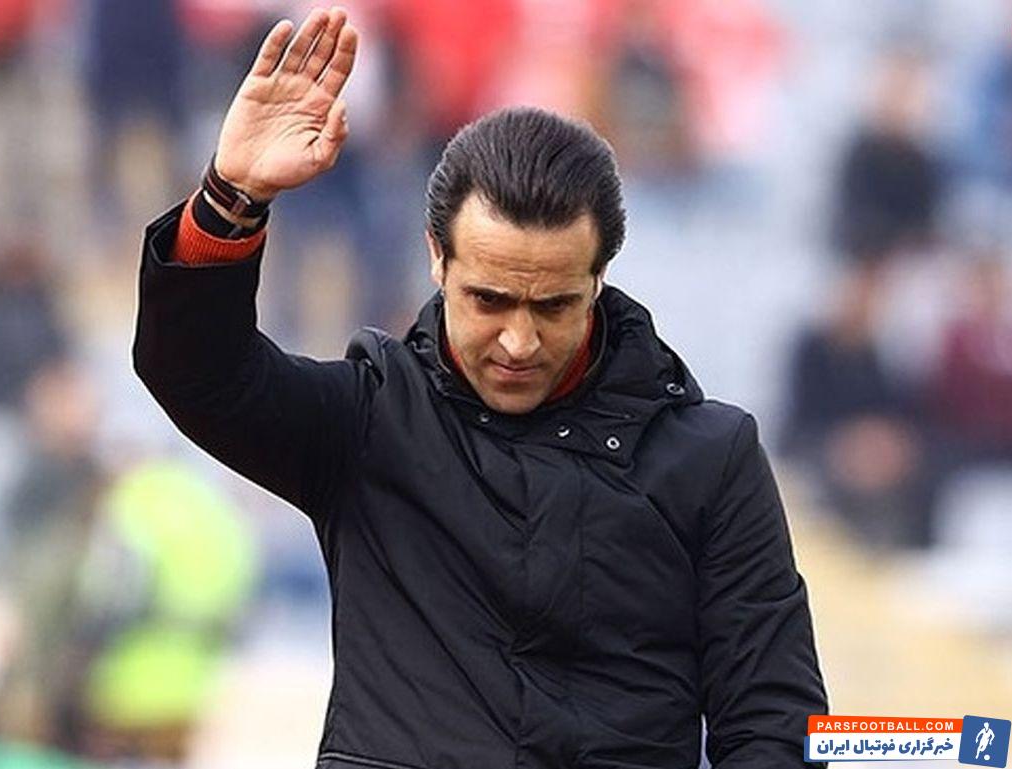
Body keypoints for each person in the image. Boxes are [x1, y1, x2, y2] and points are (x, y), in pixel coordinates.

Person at [133, 7, 828, 768]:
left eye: (552, 305)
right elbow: (196, 371)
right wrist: (230, 198)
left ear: (599, 277)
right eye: (489, 300)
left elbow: (774, 721)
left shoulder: (710, 460)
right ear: (437, 259)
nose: (518, 341)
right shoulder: (369, 421)